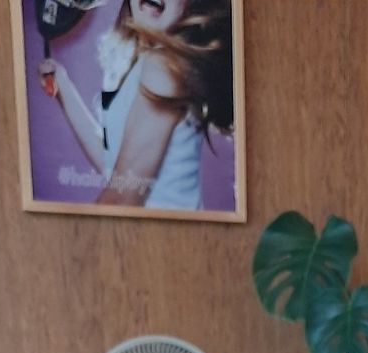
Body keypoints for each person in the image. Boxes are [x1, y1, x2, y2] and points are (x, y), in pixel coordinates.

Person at [39, 0, 233, 211]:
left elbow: (121, 198)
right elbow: (115, 168)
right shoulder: (150, 59)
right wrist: (63, 87)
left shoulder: (164, 67)